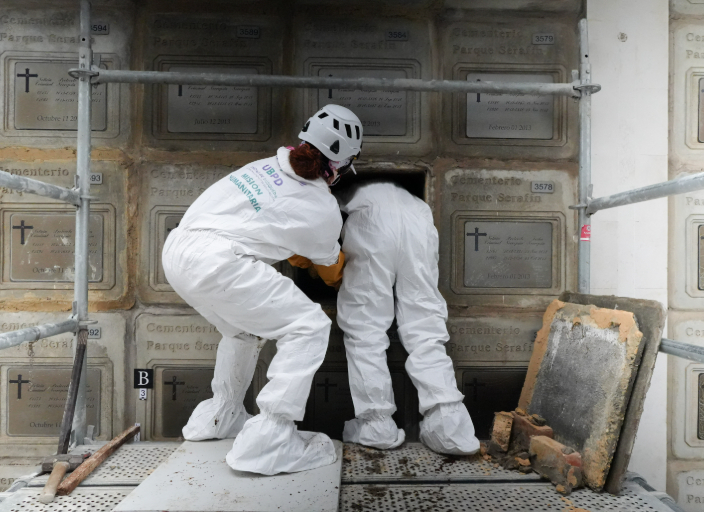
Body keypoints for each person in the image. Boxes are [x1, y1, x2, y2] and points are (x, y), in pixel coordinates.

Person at [161, 105, 362, 475]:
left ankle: (221, 416)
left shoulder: (264, 166)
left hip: (177, 252)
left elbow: (270, 220)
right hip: (219, 262)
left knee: (242, 330)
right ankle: (270, 440)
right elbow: (330, 267)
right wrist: (343, 276)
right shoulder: (322, 205)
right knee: (309, 327)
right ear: (340, 165)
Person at [336, 181, 480, 455]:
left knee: (364, 325)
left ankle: (376, 424)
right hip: (419, 220)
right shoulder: (409, 195)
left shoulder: (340, 189)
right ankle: (448, 424)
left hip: (371, 221)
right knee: (424, 323)